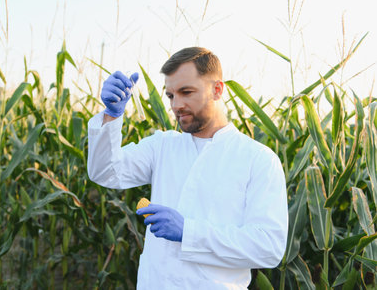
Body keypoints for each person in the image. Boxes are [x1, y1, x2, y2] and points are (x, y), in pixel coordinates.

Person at [87, 47, 288, 289]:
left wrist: (189, 232)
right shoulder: (162, 146)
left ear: (217, 90)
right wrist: (111, 115)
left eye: (186, 92)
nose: (176, 105)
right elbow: (106, 172)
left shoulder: (258, 160)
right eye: (170, 95)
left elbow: (268, 248)